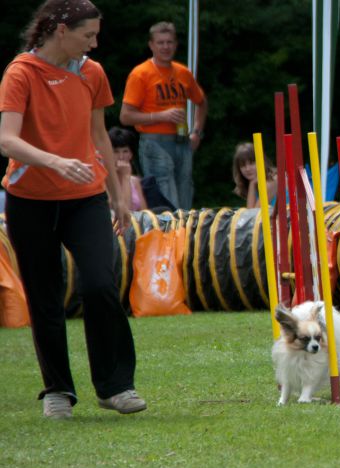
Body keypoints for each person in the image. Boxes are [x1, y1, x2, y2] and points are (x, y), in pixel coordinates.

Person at [0, 0, 146, 418]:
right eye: (89, 35)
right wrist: (56, 161)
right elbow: (6, 140)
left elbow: (99, 134)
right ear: (61, 30)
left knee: (100, 283)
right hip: (31, 201)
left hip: (86, 199)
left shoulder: (92, 72)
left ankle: (116, 386)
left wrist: (118, 195)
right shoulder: (20, 73)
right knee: (45, 298)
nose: (95, 43)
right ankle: (58, 391)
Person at [119, 21, 207, 211]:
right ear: (151, 45)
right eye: (160, 42)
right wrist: (161, 116)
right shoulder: (140, 73)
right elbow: (125, 116)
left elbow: (201, 102)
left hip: (182, 140)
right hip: (154, 142)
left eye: (169, 42)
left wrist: (197, 133)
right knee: (167, 201)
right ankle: (169, 238)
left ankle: (185, 238)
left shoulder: (183, 72)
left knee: (185, 198)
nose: (165, 47)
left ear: (175, 44)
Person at [108, 126, 147, 212]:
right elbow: (124, 211)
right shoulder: (105, 180)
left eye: (125, 151)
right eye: (116, 151)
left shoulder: (134, 181)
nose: (121, 157)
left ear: (131, 154)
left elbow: (144, 212)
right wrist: (125, 176)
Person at [232, 142, 277, 208]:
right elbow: (251, 214)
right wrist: (252, 184)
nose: (247, 169)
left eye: (252, 163)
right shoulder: (254, 183)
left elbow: (253, 213)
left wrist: (252, 184)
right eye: (243, 165)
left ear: (261, 161)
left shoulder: (273, 180)